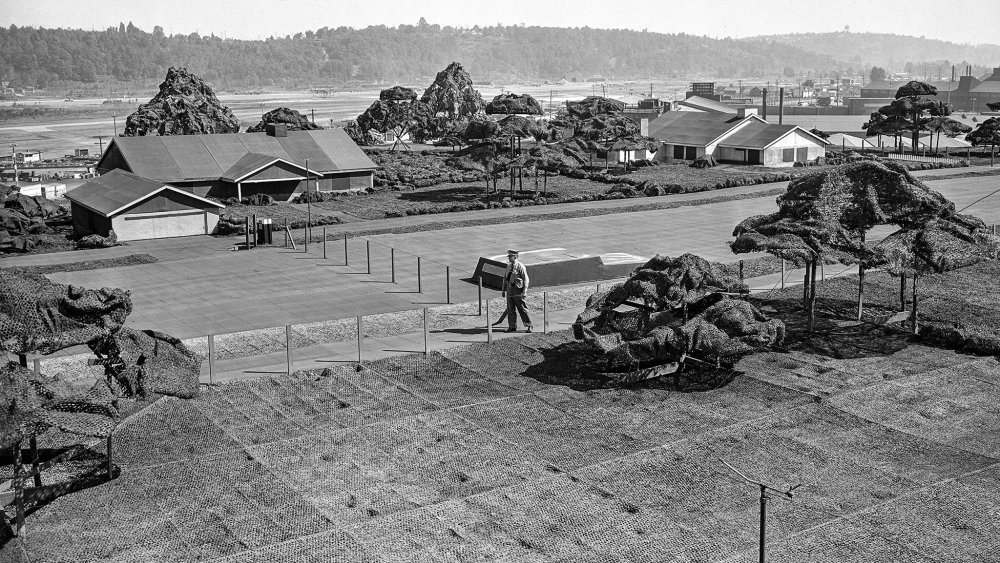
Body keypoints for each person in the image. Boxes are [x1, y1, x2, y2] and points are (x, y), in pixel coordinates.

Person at [501, 249, 532, 333]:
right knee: (510, 308)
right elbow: (505, 278)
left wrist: (524, 291)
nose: (508, 258)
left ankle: (529, 325)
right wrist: (503, 290)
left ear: (515, 257)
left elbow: (526, 279)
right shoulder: (509, 266)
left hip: (517, 290)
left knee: (522, 308)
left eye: (510, 256)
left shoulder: (520, 266)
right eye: (508, 256)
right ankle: (512, 326)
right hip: (509, 289)